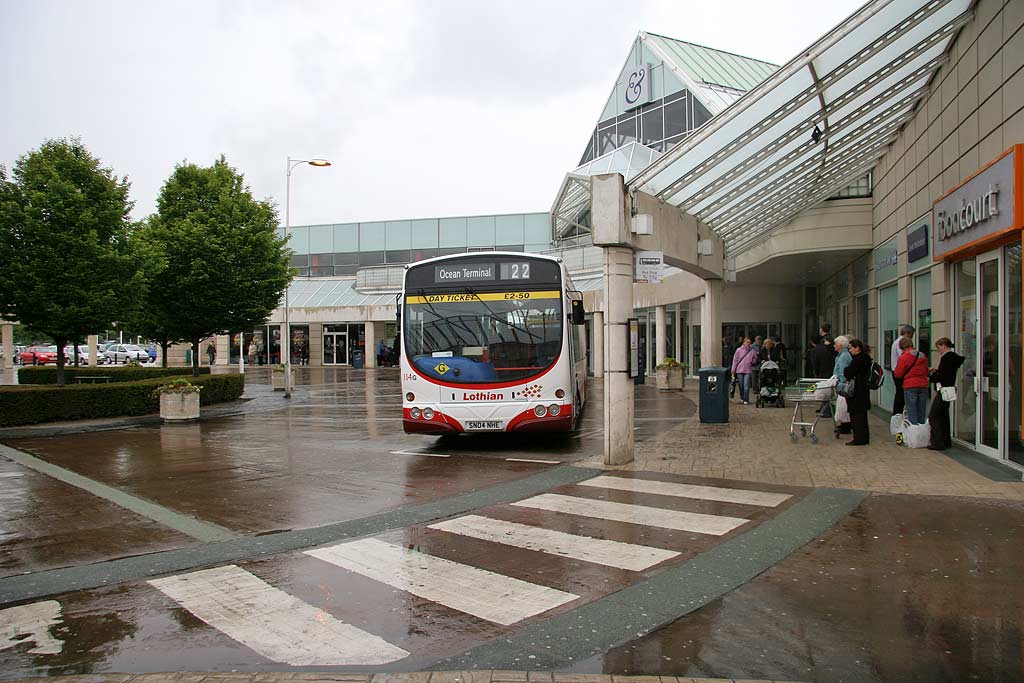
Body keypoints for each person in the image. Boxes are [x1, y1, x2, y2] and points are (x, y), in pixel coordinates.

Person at [927, 337, 965, 450]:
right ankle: (945, 440)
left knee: (934, 416)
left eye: (939, 348)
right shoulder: (953, 358)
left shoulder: (946, 358)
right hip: (949, 389)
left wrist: (932, 377)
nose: (938, 350)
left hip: (943, 389)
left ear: (944, 345)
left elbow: (943, 375)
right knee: (943, 416)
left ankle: (938, 442)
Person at [843, 338, 874, 446]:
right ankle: (863, 437)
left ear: (857, 348)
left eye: (850, 348)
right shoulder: (866, 358)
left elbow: (848, 372)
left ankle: (859, 438)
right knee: (862, 415)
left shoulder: (858, 360)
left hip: (857, 391)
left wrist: (846, 370)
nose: (849, 351)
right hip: (863, 390)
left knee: (856, 415)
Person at [893, 336, 929, 424]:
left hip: (910, 385)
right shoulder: (922, 355)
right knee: (921, 411)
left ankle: (913, 434)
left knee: (912, 411)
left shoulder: (904, 357)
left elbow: (898, 374)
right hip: (923, 385)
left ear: (902, 347)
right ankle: (921, 432)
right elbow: (926, 370)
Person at [890, 324, 915, 415]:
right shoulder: (901, 342)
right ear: (907, 333)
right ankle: (898, 413)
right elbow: (905, 357)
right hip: (900, 372)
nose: (912, 337)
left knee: (900, 394)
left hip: (897, 370)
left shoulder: (896, 341)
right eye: (912, 335)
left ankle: (898, 413)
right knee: (901, 394)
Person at [730, 337, 758, 405]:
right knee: (741, 385)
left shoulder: (752, 351)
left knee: (746, 385)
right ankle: (742, 397)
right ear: (744, 342)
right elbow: (735, 360)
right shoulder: (739, 350)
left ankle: (746, 399)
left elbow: (755, 358)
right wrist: (733, 369)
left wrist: (752, 361)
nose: (748, 344)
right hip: (739, 370)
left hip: (748, 370)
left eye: (749, 342)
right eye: (747, 342)